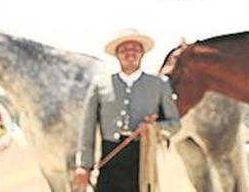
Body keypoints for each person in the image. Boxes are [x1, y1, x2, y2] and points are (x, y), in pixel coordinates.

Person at [74, 29, 180, 192]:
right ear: (117, 54)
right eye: (124, 50)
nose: (130, 54)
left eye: (135, 49)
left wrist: (154, 128)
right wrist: (84, 165)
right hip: (110, 159)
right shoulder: (100, 85)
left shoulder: (159, 84)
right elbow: (87, 129)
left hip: (144, 161)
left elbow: (175, 124)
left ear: (142, 53)